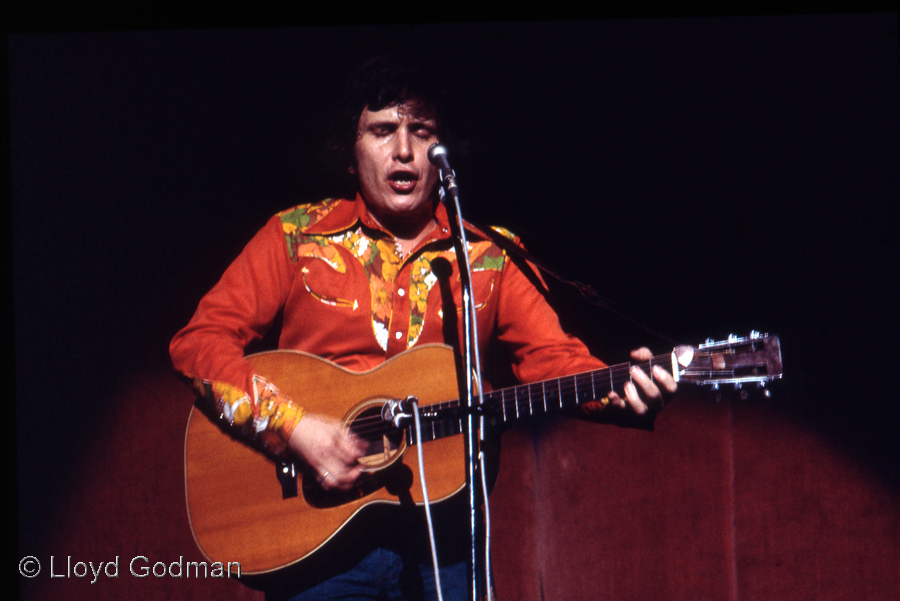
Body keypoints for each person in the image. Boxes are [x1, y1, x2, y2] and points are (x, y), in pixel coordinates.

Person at [170, 55, 677, 601]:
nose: (404, 150)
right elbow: (198, 343)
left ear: (445, 152)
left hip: (447, 544)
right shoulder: (296, 236)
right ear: (352, 149)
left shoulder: (488, 255)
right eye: (383, 131)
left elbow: (555, 361)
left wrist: (621, 391)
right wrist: (295, 429)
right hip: (318, 543)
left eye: (421, 131)